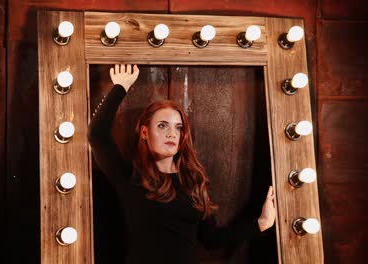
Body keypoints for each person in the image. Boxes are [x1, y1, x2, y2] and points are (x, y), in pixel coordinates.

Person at [88, 64, 276, 264]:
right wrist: (121, 87)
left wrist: (262, 223)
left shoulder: (193, 182)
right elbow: (97, 135)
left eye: (178, 128)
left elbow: (211, 238)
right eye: (162, 126)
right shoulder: (131, 177)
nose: (171, 133)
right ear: (144, 133)